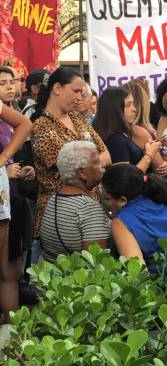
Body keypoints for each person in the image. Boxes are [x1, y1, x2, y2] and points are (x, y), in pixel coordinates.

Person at [31, 67, 111, 248]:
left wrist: (92, 162)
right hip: (61, 211)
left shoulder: (77, 118)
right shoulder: (42, 125)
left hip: (91, 204)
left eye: (82, 92)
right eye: (75, 91)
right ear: (57, 88)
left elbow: (107, 154)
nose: (80, 97)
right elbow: (70, 167)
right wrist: (94, 161)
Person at [40, 141, 110, 261]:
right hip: (77, 278)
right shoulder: (89, 208)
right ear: (82, 172)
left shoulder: (53, 199)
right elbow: (96, 263)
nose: (102, 167)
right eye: (97, 163)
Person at [0, 97, 32, 324]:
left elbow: (24, 124)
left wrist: (3, 158)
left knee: (8, 271)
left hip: (5, 200)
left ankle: (15, 341)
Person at [93, 86, 162, 173]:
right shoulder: (115, 139)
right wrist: (149, 155)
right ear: (115, 109)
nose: (134, 109)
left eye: (133, 104)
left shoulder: (122, 133)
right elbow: (126, 180)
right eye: (128, 105)